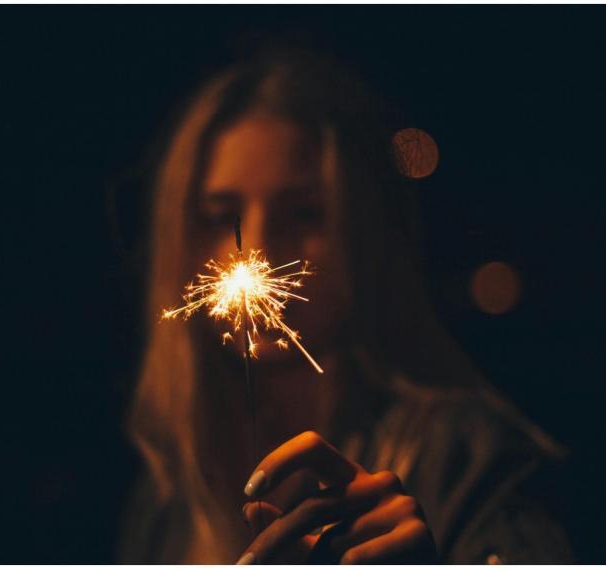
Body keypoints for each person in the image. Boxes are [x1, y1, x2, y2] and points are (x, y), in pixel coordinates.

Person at [119, 51, 573, 564]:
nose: (258, 251)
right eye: (223, 216)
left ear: (366, 231)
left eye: (307, 213)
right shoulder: (168, 493)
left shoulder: (469, 458)